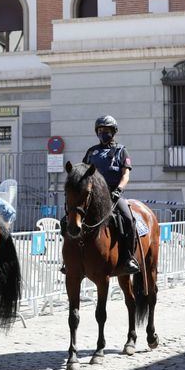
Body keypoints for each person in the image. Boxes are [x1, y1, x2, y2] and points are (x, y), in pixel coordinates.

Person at [64, 115, 139, 275]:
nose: (103, 133)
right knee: (67, 219)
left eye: (106, 130)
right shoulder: (92, 152)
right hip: (93, 195)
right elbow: (82, 172)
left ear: (113, 131)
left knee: (127, 219)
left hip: (113, 194)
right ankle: (68, 260)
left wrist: (119, 189)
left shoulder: (121, 151)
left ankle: (128, 258)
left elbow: (125, 175)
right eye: (100, 130)